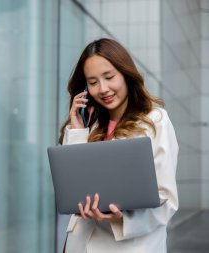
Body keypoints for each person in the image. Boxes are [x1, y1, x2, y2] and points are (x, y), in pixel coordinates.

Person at [59, 38, 178, 253]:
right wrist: (77, 129)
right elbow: (74, 187)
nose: (103, 88)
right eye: (93, 82)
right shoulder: (93, 122)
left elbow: (167, 201)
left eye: (109, 77)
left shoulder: (155, 120)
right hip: (81, 244)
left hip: (129, 246)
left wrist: (123, 217)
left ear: (125, 74)